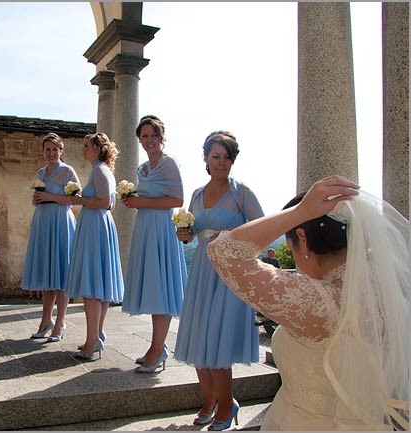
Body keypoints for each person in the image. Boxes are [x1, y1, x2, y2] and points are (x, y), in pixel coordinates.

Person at [206, 175, 410, 430]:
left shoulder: (322, 303)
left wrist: (301, 211)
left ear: (301, 238)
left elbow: (222, 251)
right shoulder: (391, 294)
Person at [174, 131, 264, 429]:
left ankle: (227, 405)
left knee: (217, 339)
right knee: (200, 336)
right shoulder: (197, 195)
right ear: (206, 159)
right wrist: (184, 234)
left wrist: (231, 239)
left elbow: (262, 232)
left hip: (229, 275)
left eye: (227, 157)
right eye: (216, 156)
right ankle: (210, 398)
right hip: (202, 271)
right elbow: (190, 233)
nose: (222, 162)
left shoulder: (242, 194)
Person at [121, 115, 187, 373]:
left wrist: (141, 202)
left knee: (161, 289)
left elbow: (178, 200)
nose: (150, 141)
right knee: (152, 287)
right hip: (145, 228)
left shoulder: (169, 164)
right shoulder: (141, 168)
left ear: (162, 137)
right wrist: (133, 199)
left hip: (161, 229)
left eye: (154, 136)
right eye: (145, 136)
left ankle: (157, 349)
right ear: (139, 139)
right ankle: (157, 347)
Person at [64, 132, 124, 359]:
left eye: (87, 146)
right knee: (99, 285)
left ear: (98, 149)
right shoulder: (100, 171)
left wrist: (79, 200)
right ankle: (96, 335)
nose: (84, 149)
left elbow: (106, 202)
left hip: (95, 228)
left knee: (92, 286)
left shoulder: (100, 170)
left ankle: (92, 340)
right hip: (97, 226)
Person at [21, 133, 80, 342]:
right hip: (43, 221)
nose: (51, 153)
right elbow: (35, 200)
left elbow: (75, 198)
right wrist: (37, 199)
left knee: (61, 274)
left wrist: (50, 197)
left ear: (61, 150)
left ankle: (61, 322)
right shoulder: (40, 172)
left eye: (55, 149)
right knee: (48, 275)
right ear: (43, 151)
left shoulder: (67, 171)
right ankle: (46, 320)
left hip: (61, 222)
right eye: (48, 149)